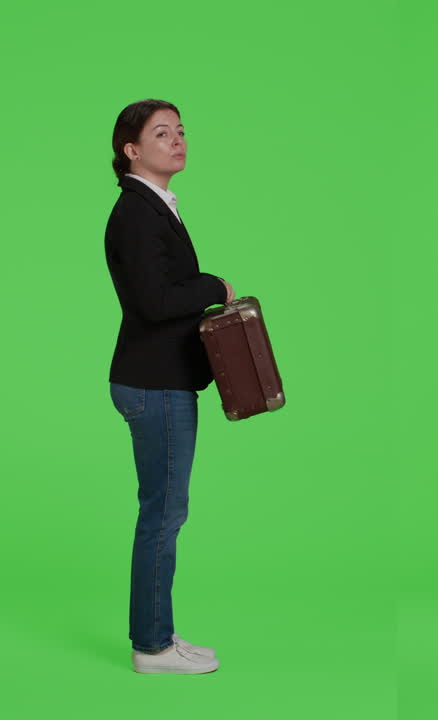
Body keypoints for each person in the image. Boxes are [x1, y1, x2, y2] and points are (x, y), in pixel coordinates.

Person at [105, 99, 233, 674]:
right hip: (153, 384)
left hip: (161, 380)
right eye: (162, 133)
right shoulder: (136, 213)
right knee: (162, 514)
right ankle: (152, 646)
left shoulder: (157, 209)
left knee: (163, 511)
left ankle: (157, 634)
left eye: (181, 130)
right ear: (132, 150)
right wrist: (213, 285)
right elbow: (153, 302)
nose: (177, 139)